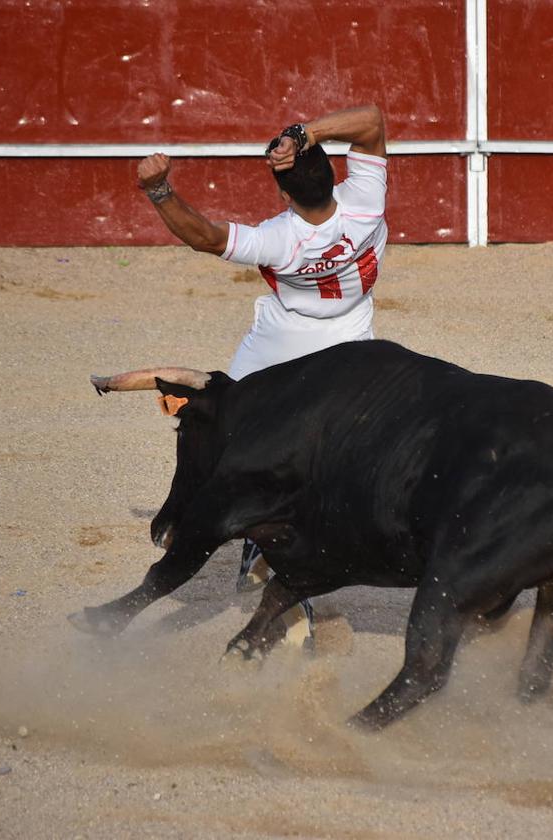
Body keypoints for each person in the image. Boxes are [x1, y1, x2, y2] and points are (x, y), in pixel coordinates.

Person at [135, 103, 389, 649]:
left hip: (275, 350)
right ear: (335, 176)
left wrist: (158, 190)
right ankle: (285, 558)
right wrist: (307, 133)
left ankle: (220, 526)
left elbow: (203, 235)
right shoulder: (366, 204)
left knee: (220, 437)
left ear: (285, 195)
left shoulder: (279, 238)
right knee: (330, 470)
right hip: (350, 352)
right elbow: (371, 120)